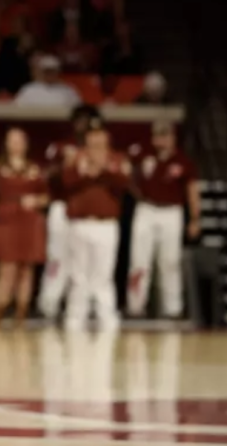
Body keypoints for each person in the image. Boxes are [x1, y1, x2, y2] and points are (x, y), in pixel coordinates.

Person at [0, 129, 49, 328]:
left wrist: (36, 200)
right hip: (6, 221)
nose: (16, 144)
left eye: (20, 140)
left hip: (29, 221)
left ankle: (20, 321)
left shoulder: (35, 168)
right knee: (7, 271)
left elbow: (47, 195)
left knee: (26, 271)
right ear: (6, 144)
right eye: (12, 140)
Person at [127, 122, 200, 319]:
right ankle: (135, 306)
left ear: (173, 138)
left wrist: (195, 218)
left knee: (169, 261)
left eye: (165, 135)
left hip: (171, 211)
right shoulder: (143, 156)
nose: (161, 140)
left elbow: (191, 190)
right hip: (147, 209)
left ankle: (172, 308)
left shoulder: (183, 161)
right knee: (139, 260)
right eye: (158, 135)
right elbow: (127, 175)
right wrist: (139, 195)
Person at [63, 125, 129, 331]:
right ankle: (75, 315)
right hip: (80, 223)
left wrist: (103, 171)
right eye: (92, 145)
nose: (96, 149)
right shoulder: (76, 159)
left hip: (106, 225)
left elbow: (124, 183)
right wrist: (84, 172)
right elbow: (65, 182)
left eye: (100, 145)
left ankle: (106, 315)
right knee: (78, 272)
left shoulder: (117, 160)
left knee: (103, 273)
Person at [37, 105, 99, 319]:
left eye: (89, 120)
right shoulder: (61, 146)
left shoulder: (100, 151)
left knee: (84, 260)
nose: (85, 125)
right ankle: (50, 304)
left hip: (87, 211)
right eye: (80, 120)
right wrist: (67, 163)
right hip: (62, 206)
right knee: (57, 256)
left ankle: (81, 306)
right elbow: (46, 174)